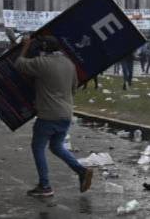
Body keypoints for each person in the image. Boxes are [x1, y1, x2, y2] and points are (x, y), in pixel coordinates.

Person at [14, 35, 93, 197]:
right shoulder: (69, 64)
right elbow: (73, 88)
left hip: (48, 115)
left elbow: (19, 64)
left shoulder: (42, 63)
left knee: (38, 148)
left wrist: (26, 46)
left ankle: (45, 185)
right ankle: (82, 171)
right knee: (56, 146)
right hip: (66, 114)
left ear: (43, 49)